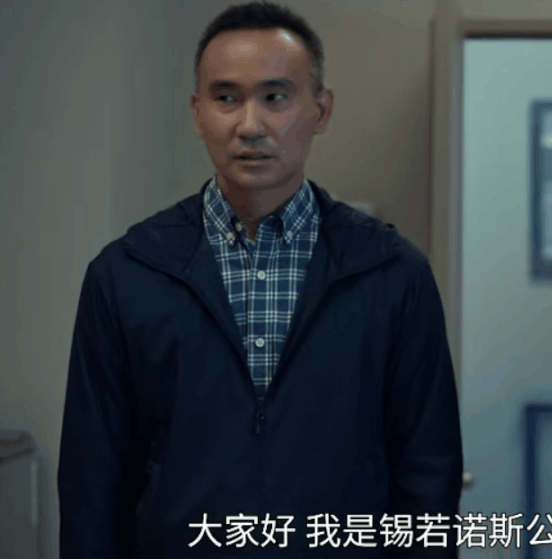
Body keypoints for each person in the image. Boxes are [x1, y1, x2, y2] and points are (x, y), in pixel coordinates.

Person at [57, 2, 462, 558]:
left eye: (275, 97)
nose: (250, 125)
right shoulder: (126, 274)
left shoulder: (393, 274)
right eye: (226, 98)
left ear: (321, 109)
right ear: (197, 112)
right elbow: (91, 485)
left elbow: (428, 478)